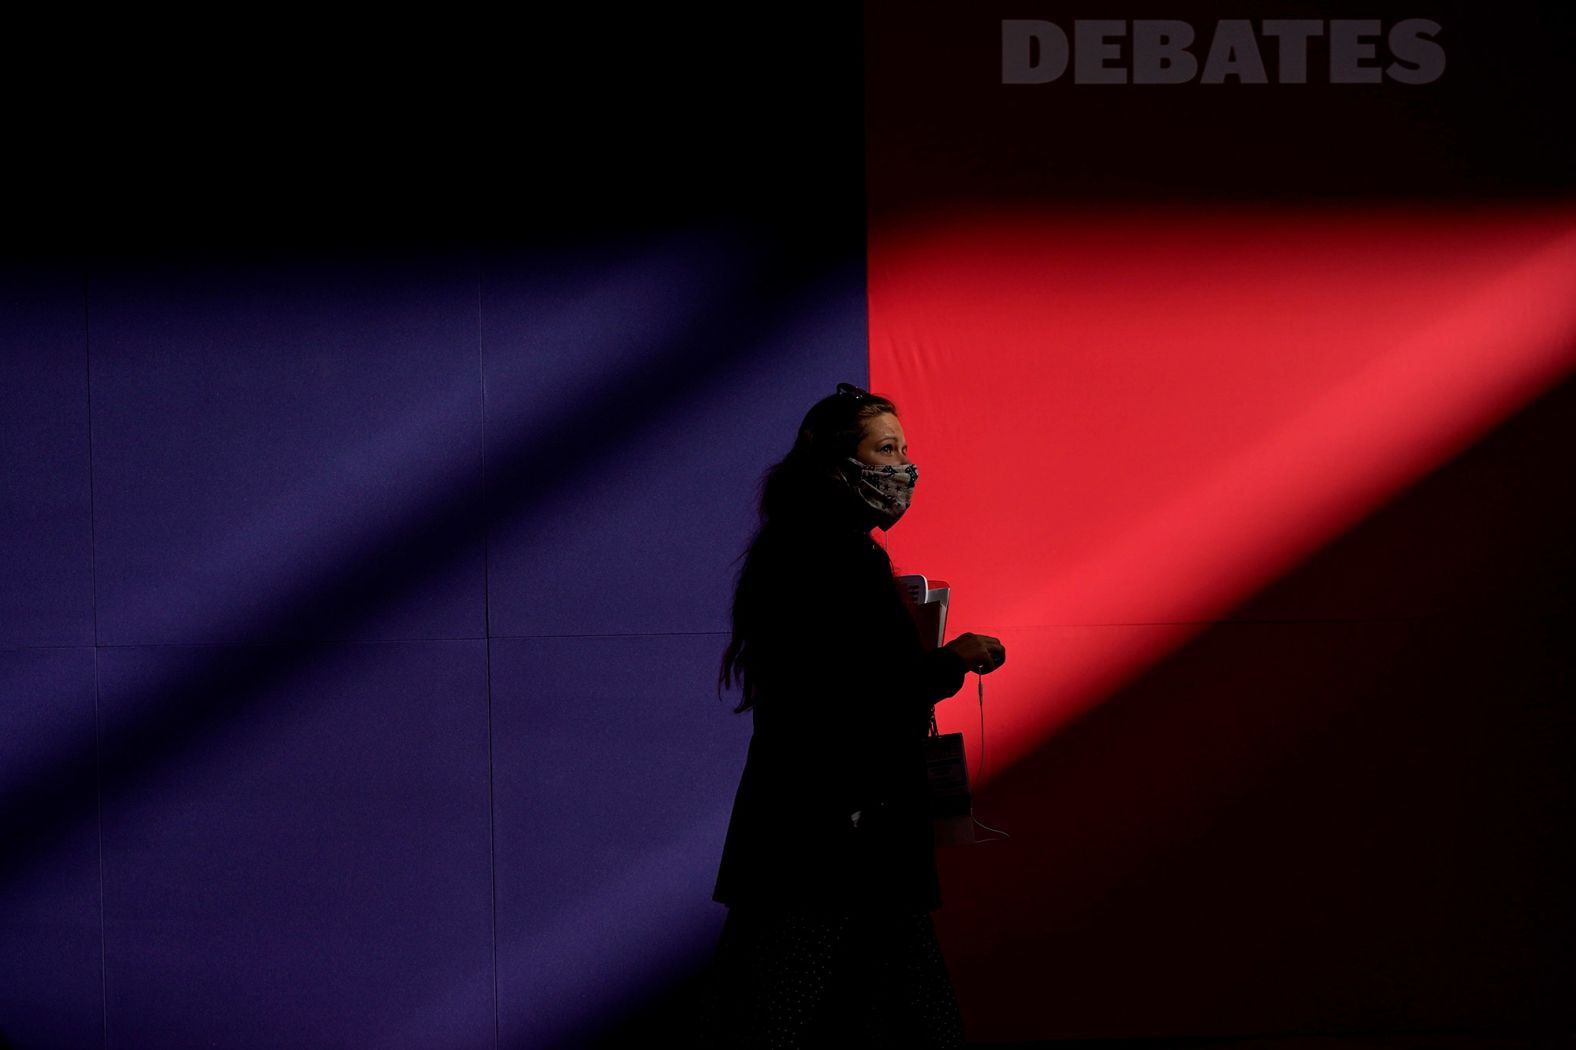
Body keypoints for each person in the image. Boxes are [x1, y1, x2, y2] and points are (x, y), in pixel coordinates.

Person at [708, 382, 1006, 1048]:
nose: (904, 468)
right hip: (835, 833)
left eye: (905, 449)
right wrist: (952, 658)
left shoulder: (805, 550)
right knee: (800, 1008)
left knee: (861, 1001)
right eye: (886, 449)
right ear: (839, 464)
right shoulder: (830, 557)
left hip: (832, 830)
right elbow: (859, 690)